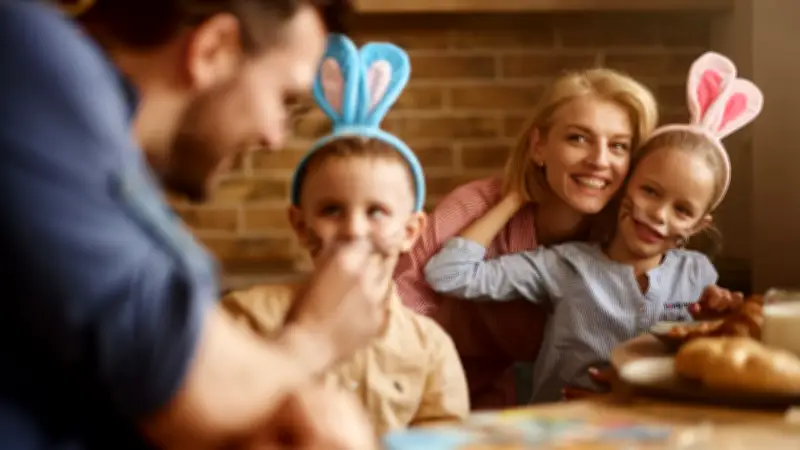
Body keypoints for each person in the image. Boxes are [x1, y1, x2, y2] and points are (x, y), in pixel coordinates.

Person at [0, 1, 390, 449]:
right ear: (214, 49)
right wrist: (317, 337)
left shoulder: (108, 168)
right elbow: (192, 389)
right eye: (284, 100)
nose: (274, 136)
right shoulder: (28, 61)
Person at [423, 51, 763, 403]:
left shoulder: (699, 275)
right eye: (649, 191)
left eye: (682, 209)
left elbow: (710, 363)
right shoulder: (564, 264)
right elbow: (449, 274)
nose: (660, 216)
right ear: (629, 183)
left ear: (698, 224)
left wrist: (724, 320)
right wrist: (514, 195)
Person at [222, 36, 470, 435]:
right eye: (331, 210)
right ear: (301, 225)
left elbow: (445, 434)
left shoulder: (430, 347)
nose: (354, 229)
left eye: (376, 212)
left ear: (410, 231)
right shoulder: (245, 317)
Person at [394, 68, 660, 409]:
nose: (599, 161)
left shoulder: (622, 236)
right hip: (424, 389)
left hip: (534, 404)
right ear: (539, 146)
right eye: (578, 138)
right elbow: (404, 305)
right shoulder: (473, 207)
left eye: (619, 146)